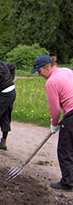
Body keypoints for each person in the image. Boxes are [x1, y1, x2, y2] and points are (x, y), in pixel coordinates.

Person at [31, 55, 73, 191]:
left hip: (71, 115)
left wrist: (54, 124)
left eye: (39, 71)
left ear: (48, 67)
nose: (39, 75)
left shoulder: (51, 82)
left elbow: (54, 108)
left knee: (65, 150)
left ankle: (69, 182)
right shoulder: (66, 71)